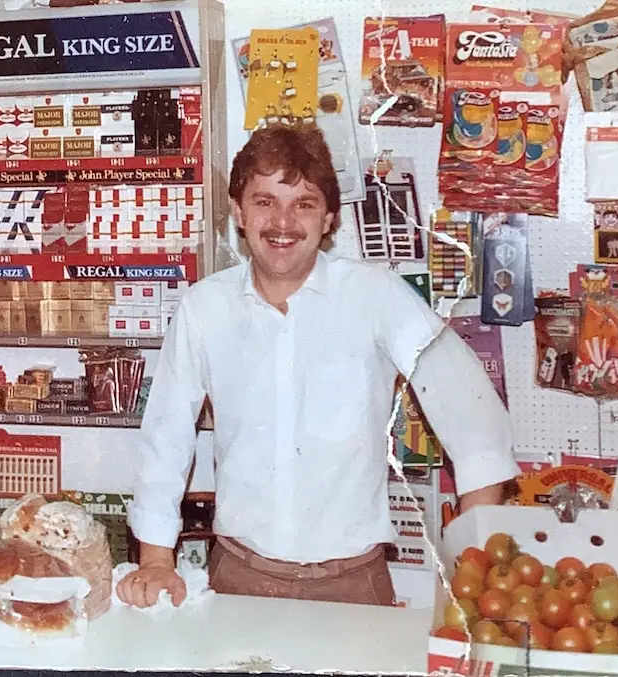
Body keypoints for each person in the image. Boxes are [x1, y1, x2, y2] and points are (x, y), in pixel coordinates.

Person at [116, 125, 518, 609]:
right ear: (239, 213)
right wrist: (158, 561)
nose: (282, 222)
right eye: (265, 202)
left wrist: (472, 561)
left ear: (329, 219)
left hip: (354, 586)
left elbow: (474, 416)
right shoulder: (205, 307)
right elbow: (166, 437)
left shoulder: (377, 296)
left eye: (303, 204)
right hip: (237, 579)